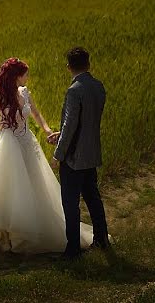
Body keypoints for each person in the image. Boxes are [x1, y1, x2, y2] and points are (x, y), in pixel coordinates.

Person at [0, 57, 95, 253]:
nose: (28, 77)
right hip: (7, 144)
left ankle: (25, 231)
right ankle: (5, 233)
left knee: (32, 183)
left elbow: (36, 115)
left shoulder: (25, 93)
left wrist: (47, 130)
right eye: (26, 74)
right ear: (16, 76)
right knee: (8, 185)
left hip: (26, 142)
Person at [47, 47, 110, 259]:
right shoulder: (98, 87)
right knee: (93, 198)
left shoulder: (74, 91)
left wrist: (58, 155)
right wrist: (62, 130)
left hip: (74, 158)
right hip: (91, 153)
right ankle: (101, 239)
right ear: (88, 64)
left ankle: (73, 249)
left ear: (68, 67)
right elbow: (88, 122)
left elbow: (71, 126)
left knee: (70, 203)